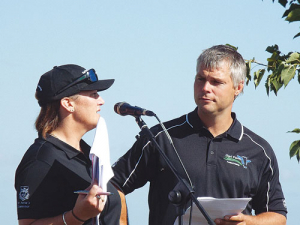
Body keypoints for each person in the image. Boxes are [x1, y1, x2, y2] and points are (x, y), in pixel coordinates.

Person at [111, 45, 287, 225]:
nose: (205, 88)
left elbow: (278, 215)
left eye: (216, 82)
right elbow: (112, 185)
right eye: (200, 79)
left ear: (238, 87)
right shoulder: (161, 138)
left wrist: (249, 223)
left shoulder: (258, 151)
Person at [15, 64, 128, 225]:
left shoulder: (89, 154)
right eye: (94, 94)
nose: (101, 101)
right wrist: (76, 216)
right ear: (68, 104)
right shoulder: (40, 159)